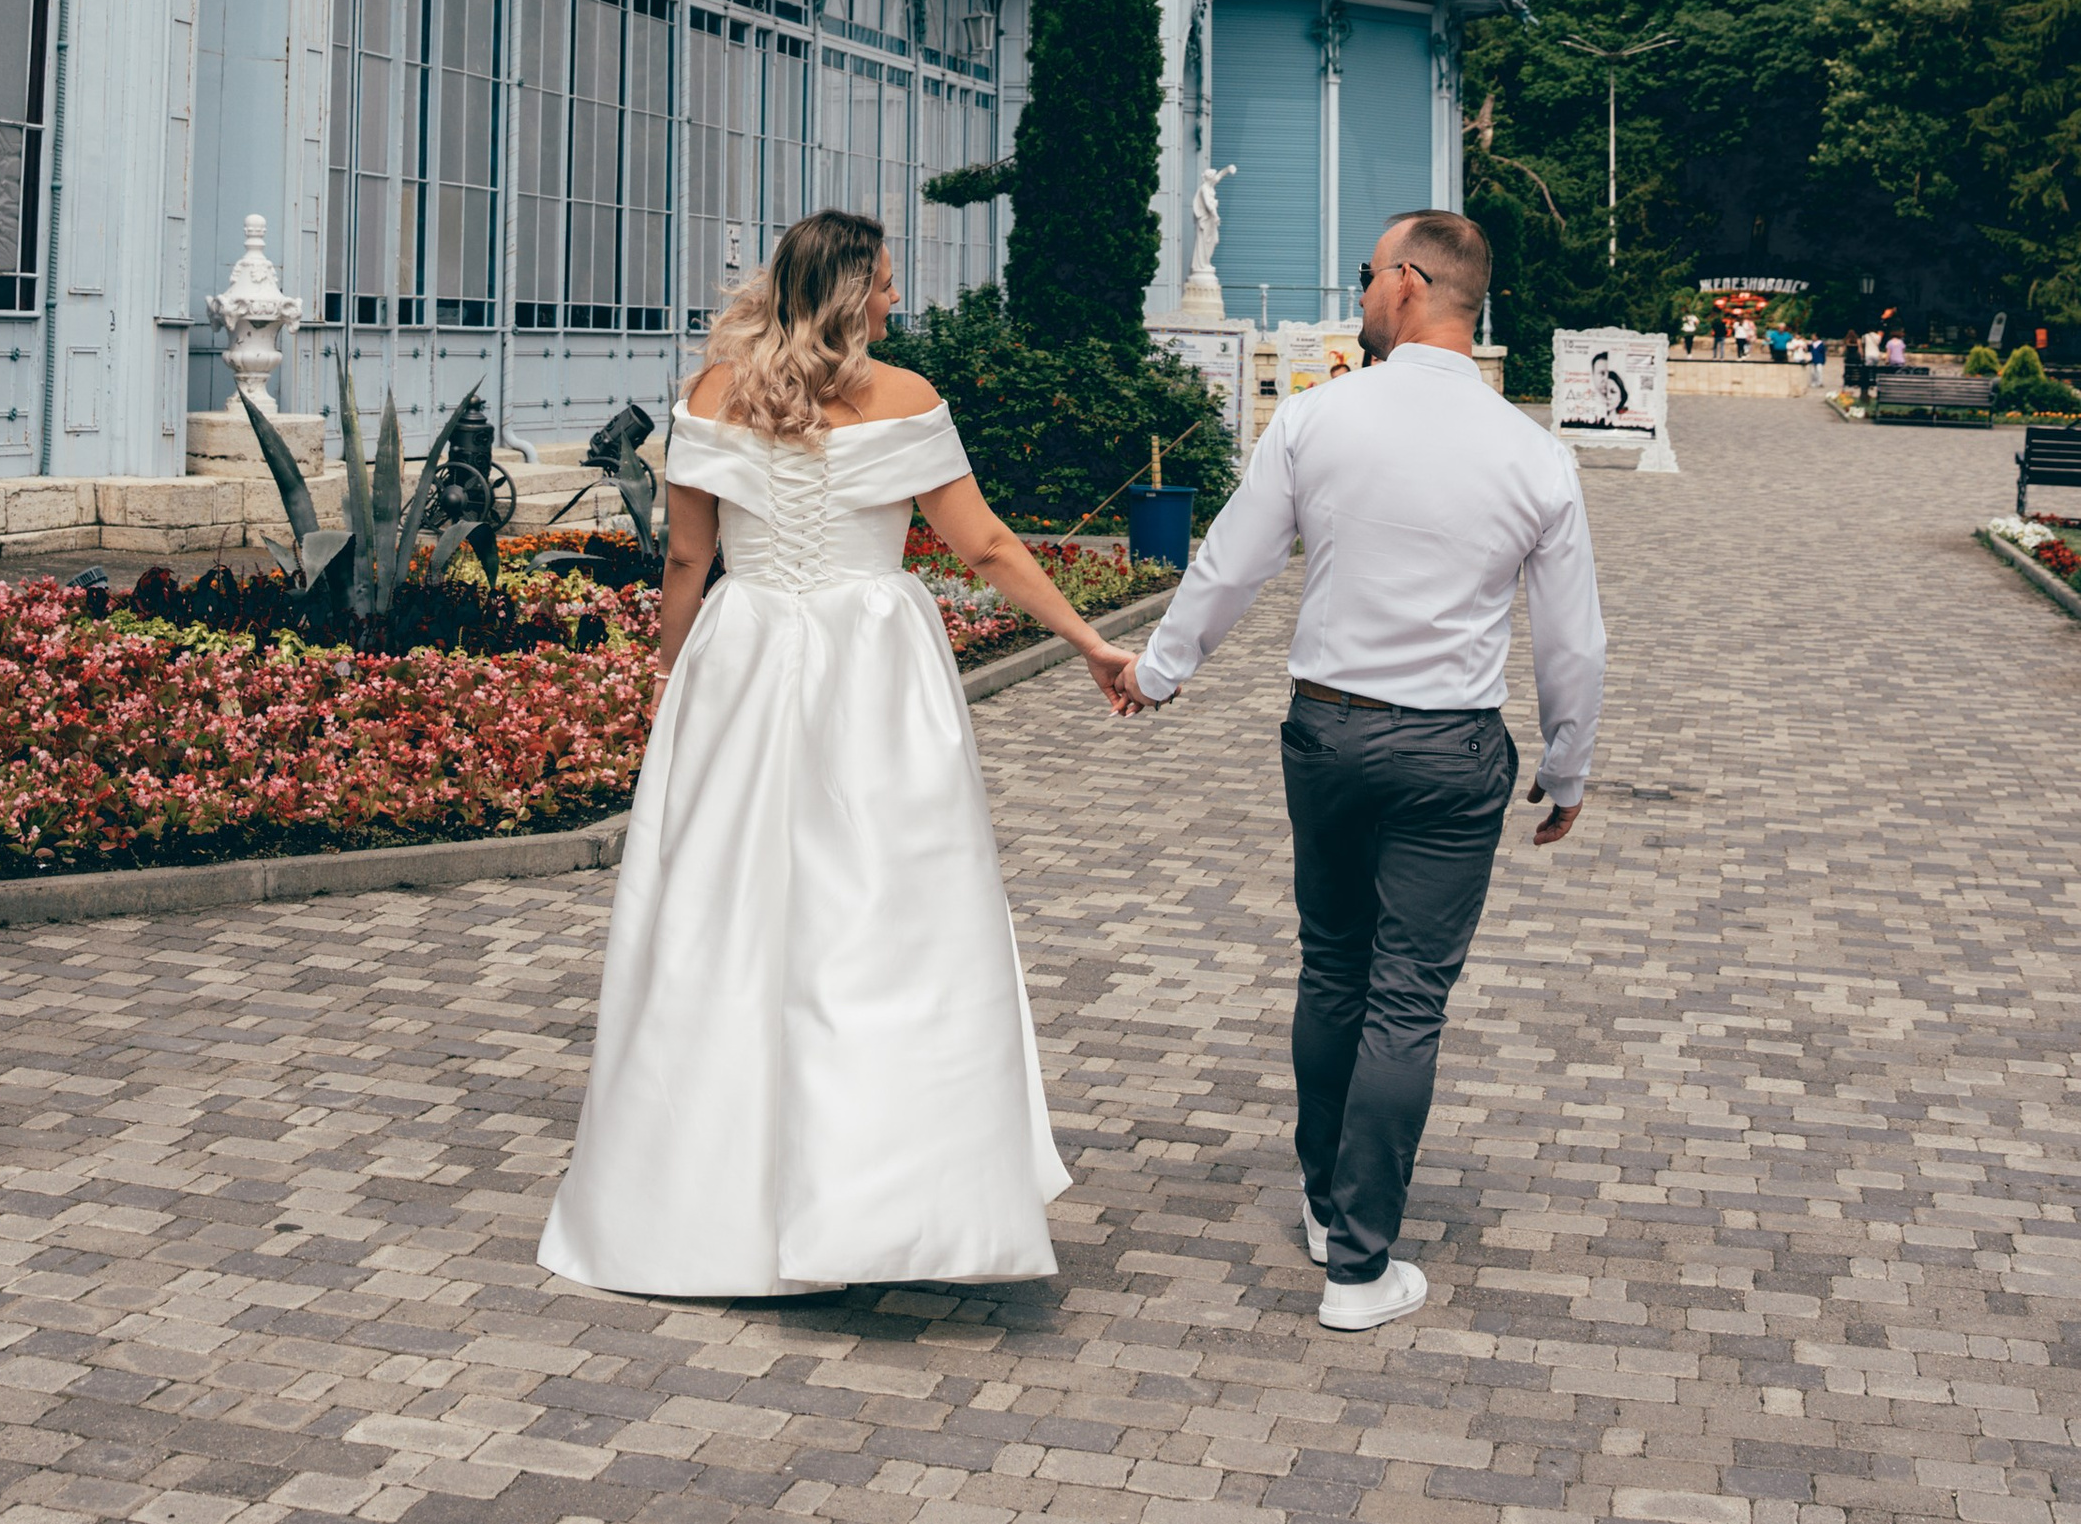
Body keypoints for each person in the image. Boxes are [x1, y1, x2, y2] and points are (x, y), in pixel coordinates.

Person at [540, 208, 1139, 1299]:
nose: (898, 300)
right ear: (850, 294)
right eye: (886, 283)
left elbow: (686, 560)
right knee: (887, 914)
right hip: (874, 667)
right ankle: (892, 1195)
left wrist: (673, 674)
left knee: (724, 908)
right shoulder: (904, 399)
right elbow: (984, 546)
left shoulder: (709, 394)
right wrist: (1089, 641)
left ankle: (702, 1191)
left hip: (745, 654)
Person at [1120, 209, 1604, 1335]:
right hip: (1450, 752)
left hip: (1328, 735)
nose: (1360, 293)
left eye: (1367, 274)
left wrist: (1158, 672)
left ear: (1411, 281)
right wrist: (1567, 765)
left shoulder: (1316, 418)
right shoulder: (1535, 455)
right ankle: (1357, 1264)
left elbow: (1230, 564)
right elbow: (1571, 640)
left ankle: (1320, 1196)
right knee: (1407, 998)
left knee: (1333, 968)